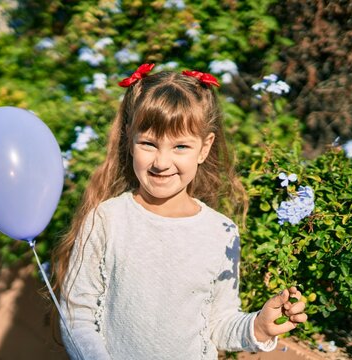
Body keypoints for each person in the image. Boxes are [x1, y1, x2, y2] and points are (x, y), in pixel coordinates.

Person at [52, 63, 307, 360]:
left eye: (181, 146)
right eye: (148, 143)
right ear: (130, 141)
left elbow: (218, 322)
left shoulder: (221, 232)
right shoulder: (107, 220)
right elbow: (77, 316)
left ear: (204, 147)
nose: (161, 162)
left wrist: (259, 327)